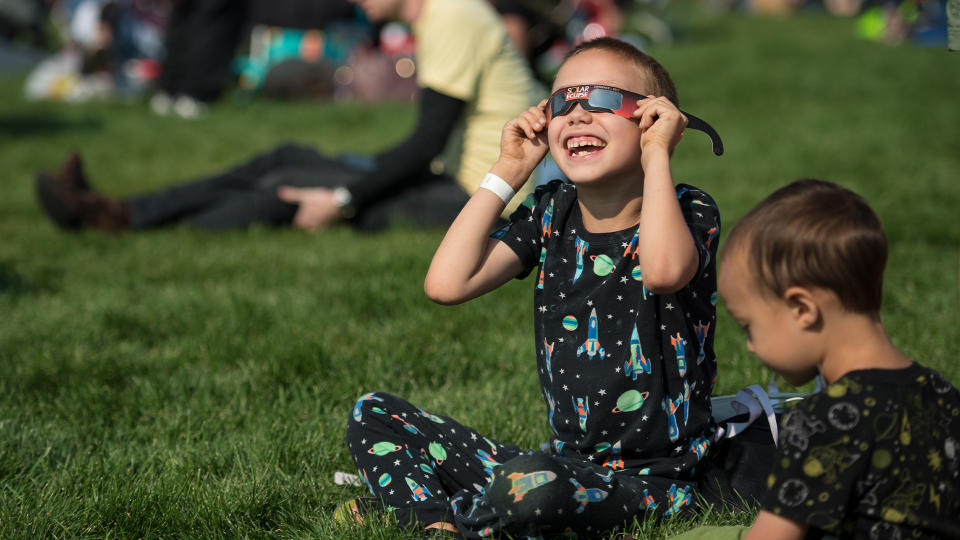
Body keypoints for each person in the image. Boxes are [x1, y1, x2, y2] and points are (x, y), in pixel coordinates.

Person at [341, 37, 728, 538]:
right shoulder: (550, 212)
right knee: (374, 413)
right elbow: (445, 283)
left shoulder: (690, 210)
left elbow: (662, 272)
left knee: (531, 488)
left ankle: (452, 510)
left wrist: (659, 156)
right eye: (564, 101)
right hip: (558, 464)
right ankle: (436, 521)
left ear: (655, 118)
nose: (579, 113)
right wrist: (510, 170)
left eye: (605, 99)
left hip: (652, 485)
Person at [35, 0, 536, 232]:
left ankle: (123, 219)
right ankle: (127, 212)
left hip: (479, 201)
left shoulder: (453, 14)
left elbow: (426, 142)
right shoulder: (448, 14)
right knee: (286, 157)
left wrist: (342, 198)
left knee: (286, 184)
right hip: (456, 180)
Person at [673, 179, 960, 540]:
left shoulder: (822, 422)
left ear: (802, 309)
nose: (750, 347)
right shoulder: (945, 397)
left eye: (750, 327)